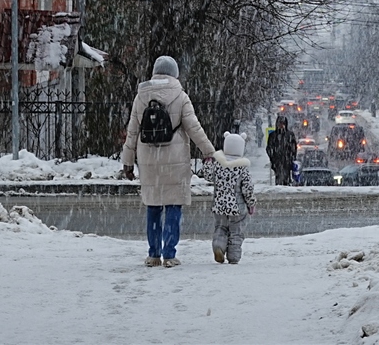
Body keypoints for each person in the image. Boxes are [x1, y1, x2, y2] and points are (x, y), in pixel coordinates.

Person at [121, 55, 216, 268]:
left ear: (155, 71)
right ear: (174, 73)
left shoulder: (141, 96)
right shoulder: (180, 96)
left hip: (148, 159)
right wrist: (209, 151)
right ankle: (169, 254)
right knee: (174, 206)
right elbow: (194, 128)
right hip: (175, 159)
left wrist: (127, 162)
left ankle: (153, 254)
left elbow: (132, 132)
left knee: (153, 206)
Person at [202, 132, 256, 265]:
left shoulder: (218, 164)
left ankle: (218, 246)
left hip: (219, 205)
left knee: (221, 227)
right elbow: (247, 189)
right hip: (237, 207)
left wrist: (208, 163)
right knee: (236, 232)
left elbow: (208, 175)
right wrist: (251, 204)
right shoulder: (242, 168)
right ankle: (233, 256)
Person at [267, 116, 296, 186]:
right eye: (280, 123)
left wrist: (291, 158)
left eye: (283, 123)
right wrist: (273, 158)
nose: (281, 125)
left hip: (287, 162)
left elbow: (294, 148)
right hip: (277, 162)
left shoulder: (290, 135)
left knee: (286, 179)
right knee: (279, 180)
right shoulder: (273, 136)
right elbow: (269, 148)